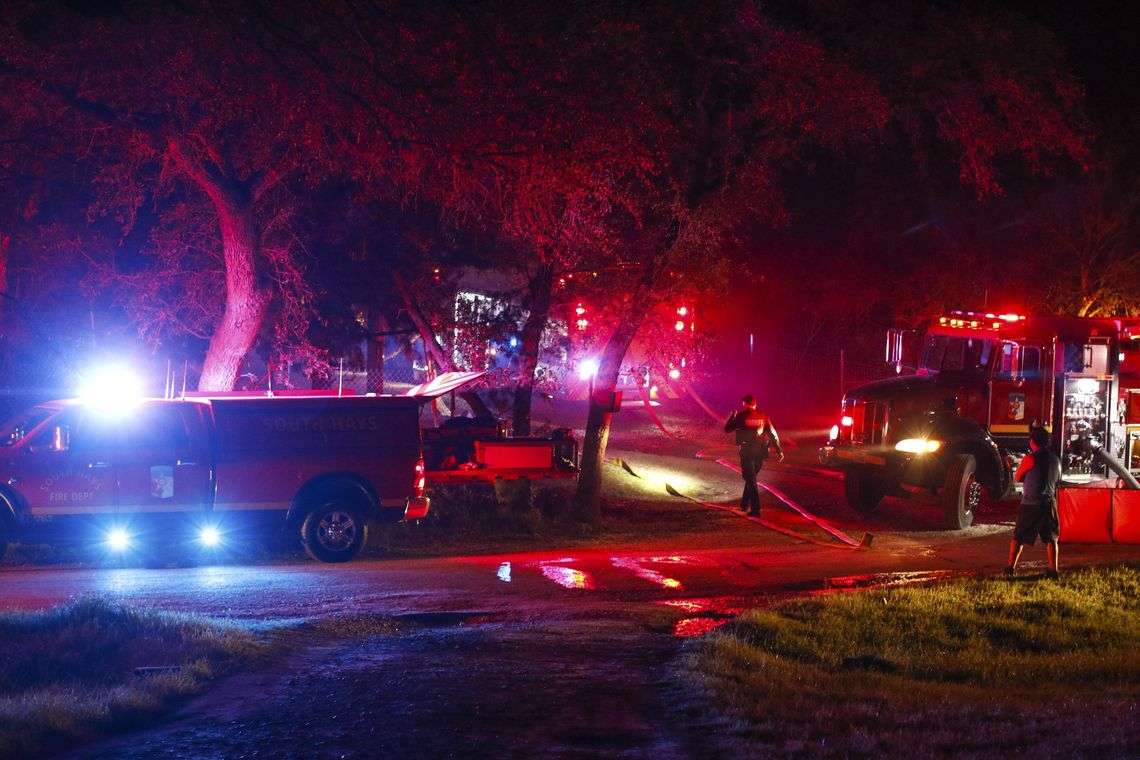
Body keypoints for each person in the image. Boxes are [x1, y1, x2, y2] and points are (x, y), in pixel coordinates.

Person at [1006, 426, 1062, 579]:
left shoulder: (1030, 458)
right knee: (1050, 538)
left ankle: (1010, 568)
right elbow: (1057, 480)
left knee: (1018, 537)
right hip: (1050, 503)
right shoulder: (1055, 459)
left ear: (1032, 441)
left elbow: (1018, 477)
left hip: (1031, 504)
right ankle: (1053, 570)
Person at [724, 394, 784, 517]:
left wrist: (732, 416)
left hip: (747, 452)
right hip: (760, 453)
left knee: (750, 480)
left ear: (744, 404)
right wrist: (779, 450)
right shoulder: (763, 417)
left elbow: (727, 429)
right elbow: (773, 434)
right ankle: (744, 504)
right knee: (751, 479)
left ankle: (756, 510)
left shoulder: (741, 417)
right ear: (755, 404)